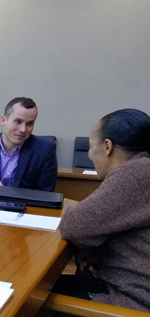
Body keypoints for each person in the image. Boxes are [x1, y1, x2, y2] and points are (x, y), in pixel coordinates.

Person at [58, 109, 150, 312]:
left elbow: (73, 226)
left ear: (107, 146)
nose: (90, 155)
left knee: (33, 297)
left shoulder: (135, 173)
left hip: (131, 301)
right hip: (134, 290)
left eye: (92, 147)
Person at [0, 97, 57, 192]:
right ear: (3, 120)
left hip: (26, 206)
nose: (23, 129)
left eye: (29, 123)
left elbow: (45, 194)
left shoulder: (45, 150)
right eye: (18, 121)